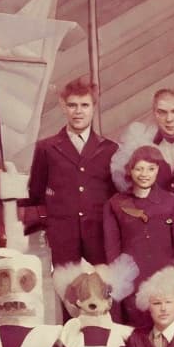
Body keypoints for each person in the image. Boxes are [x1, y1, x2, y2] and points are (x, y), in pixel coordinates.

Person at [25, 78, 119, 266]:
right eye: (72, 105)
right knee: (65, 289)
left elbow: (115, 196)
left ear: (93, 107)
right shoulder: (47, 148)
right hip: (62, 238)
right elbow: (36, 194)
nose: (78, 111)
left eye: (84, 105)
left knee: (100, 291)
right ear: (63, 106)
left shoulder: (110, 149)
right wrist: (50, 228)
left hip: (98, 236)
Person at [104, 145, 174, 326]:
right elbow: (112, 249)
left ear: (158, 170)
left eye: (151, 169)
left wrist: (171, 273)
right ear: (130, 170)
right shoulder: (115, 204)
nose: (145, 174)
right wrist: (120, 279)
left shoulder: (172, 201)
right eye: (139, 168)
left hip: (165, 274)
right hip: (131, 278)